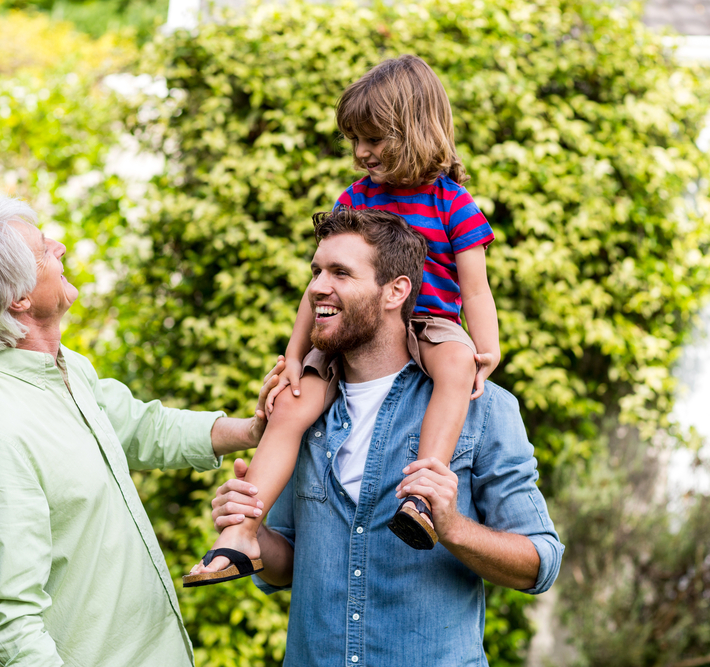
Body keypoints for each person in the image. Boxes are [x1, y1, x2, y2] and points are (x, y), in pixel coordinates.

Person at [0, 197, 280, 666]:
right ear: (19, 298)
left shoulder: (65, 370)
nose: (61, 247)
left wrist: (252, 429)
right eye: (43, 250)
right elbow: (11, 627)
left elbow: (143, 427)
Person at [185, 54, 499, 584]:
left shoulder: (453, 203)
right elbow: (321, 289)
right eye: (354, 139)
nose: (361, 152)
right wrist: (292, 355)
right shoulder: (355, 200)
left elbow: (476, 286)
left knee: (457, 367)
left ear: (414, 129)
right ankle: (239, 535)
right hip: (355, 329)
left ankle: (422, 494)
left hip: (430, 323)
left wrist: (485, 348)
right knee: (289, 404)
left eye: (373, 138)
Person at [209, 207, 563, 665]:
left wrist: (452, 527)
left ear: (396, 290)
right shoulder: (299, 409)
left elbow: (541, 562)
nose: (317, 286)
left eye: (340, 272)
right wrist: (253, 540)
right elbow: (287, 562)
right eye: (316, 271)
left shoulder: (482, 406)